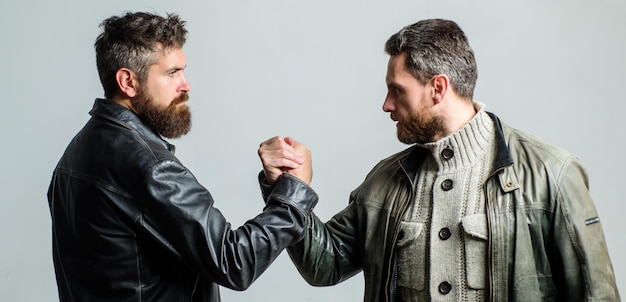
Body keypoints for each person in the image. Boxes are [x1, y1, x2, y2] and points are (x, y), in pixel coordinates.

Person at [258, 19, 620, 301]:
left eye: (397, 90)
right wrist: (289, 188)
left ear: (438, 88)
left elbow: (595, 295)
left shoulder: (551, 175)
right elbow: (325, 264)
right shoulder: (384, 183)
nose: (386, 105)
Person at [47, 12, 317, 302]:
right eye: (172, 73)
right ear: (128, 81)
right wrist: (294, 193)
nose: (185, 85)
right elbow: (234, 262)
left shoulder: (75, 153)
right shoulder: (151, 166)